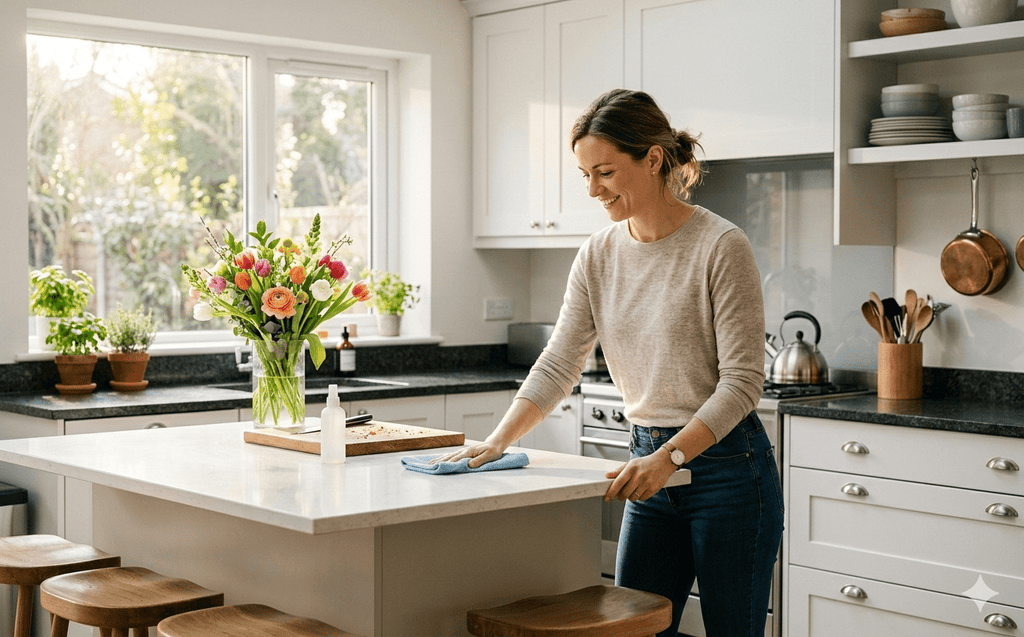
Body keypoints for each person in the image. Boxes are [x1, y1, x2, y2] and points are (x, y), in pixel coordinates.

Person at [435, 88, 782, 637]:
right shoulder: (597, 254)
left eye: (605, 172)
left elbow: (742, 384)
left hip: (728, 473)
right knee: (629, 628)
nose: (593, 190)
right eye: (585, 175)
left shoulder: (721, 245)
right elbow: (559, 363)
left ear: (653, 159)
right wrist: (497, 441)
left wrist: (670, 457)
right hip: (646, 464)